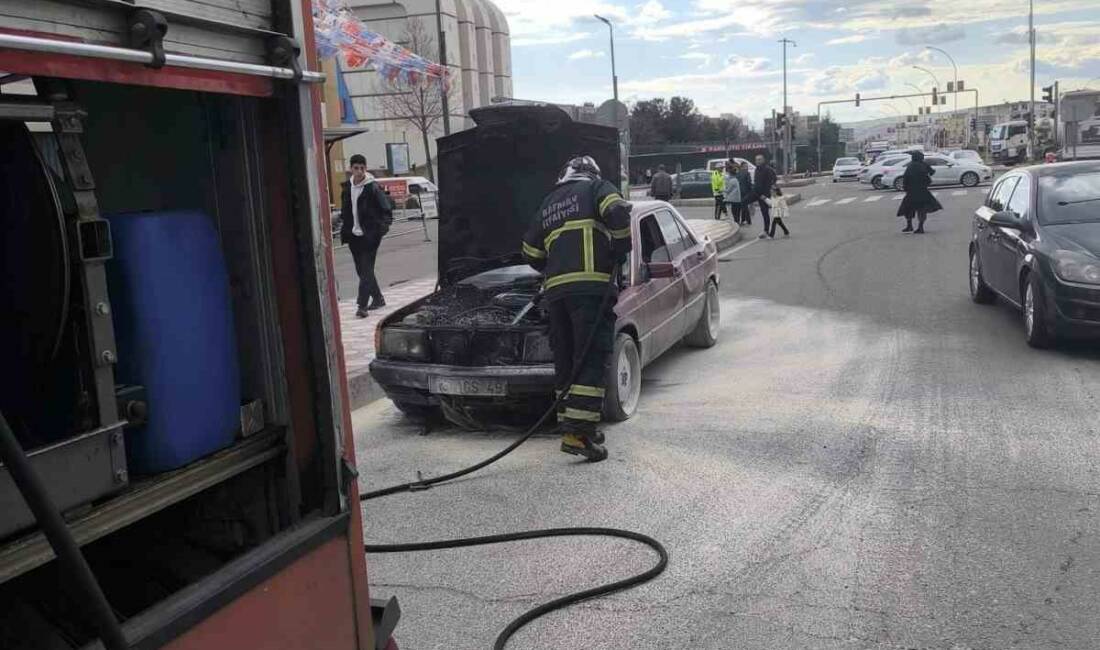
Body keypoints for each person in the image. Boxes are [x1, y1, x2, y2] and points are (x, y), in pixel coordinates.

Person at [522, 156, 632, 462]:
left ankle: (572, 425)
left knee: (568, 361)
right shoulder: (598, 188)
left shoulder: (548, 203)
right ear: (591, 173)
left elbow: (530, 252)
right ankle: (578, 434)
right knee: (592, 358)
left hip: (556, 296)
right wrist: (621, 247)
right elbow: (618, 211)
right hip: (591, 289)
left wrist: (556, 266)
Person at [340, 154, 393, 317]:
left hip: (370, 235)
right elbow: (346, 211)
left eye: (362, 168)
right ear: (351, 169)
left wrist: (382, 228)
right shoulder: (347, 188)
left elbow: (386, 209)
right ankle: (378, 298)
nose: (359, 171)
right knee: (361, 270)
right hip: (354, 236)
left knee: (366, 270)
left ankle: (362, 306)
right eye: (356, 168)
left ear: (365, 168)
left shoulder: (372, 187)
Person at [896, 150, 942, 234]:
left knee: (907, 209)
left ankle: (909, 226)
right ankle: (920, 227)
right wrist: (927, 176)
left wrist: (905, 188)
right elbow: (932, 172)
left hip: (911, 191)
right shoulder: (923, 164)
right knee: (922, 210)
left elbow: (906, 178)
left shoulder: (910, 166)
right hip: (923, 191)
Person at [753, 154, 777, 238]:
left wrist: (767, 194)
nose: (758, 161)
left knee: (772, 213)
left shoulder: (767, 169)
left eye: (760, 159)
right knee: (764, 213)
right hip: (760, 195)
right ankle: (766, 231)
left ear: (763, 160)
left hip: (766, 195)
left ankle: (768, 231)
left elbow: (773, 180)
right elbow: (756, 183)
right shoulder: (756, 170)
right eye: (756, 160)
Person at [737, 161, 754, 226]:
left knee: (743, 205)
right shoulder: (747, 173)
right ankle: (748, 220)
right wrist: (751, 190)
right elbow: (749, 183)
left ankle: (743, 220)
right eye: (746, 166)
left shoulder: (738, 173)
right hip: (746, 191)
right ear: (742, 167)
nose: (747, 168)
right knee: (745, 206)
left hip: (740, 192)